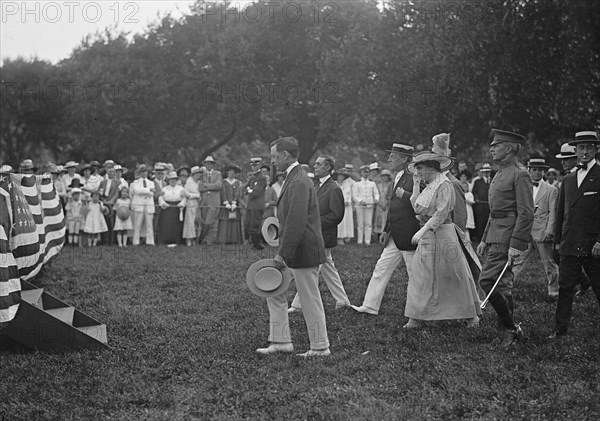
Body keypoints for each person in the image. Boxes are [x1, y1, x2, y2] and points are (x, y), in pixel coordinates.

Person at [256, 136, 329, 357]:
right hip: (293, 248)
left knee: (309, 300)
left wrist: (282, 255)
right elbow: (290, 219)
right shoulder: (293, 177)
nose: (273, 161)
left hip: (303, 249)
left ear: (286, 155)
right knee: (274, 290)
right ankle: (281, 341)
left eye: (275, 157)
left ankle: (320, 347)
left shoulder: (298, 181)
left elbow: (297, 222)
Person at [403, 151, 481, 329]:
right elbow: (416, 207)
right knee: (421, 274)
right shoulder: (428, 185)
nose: (419, 173)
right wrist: (415, 185)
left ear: (431, 168)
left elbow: (441, 213)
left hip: (444, 234)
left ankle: (470, 315)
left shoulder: (445, 185)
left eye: (420, 169)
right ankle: (415, 316)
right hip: (428, 236)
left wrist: (422, 230)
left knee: (453, 273)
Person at [476, 129, 533, 348]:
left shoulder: (520, 174)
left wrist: (516, 244)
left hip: (507, 236)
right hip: (495, 234)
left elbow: (526, 212)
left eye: (496, 145)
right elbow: (494, 211)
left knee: (487, 281)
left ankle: (510, 327)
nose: (491, 149)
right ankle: (505, 334)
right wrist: (483, 239)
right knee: (504, 285)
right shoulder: (500, 172)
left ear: (509, 148)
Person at [351, 144, 419, 315]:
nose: (389, 160)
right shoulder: (398, 176)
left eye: (393, 157)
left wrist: (405, 195)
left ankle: (419, 313)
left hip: (409, 235)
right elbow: (393, 206)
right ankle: (370, 305)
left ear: (404, 159)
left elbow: (419, 203)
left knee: (415, 275)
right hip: (395, 235)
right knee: (381, 268)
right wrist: (386, 230)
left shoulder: (415, 178)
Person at [550, 131, 600, 338]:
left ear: (596, 149)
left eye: (589, 147)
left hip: (592, 244)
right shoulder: (569, 179)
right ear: (576, 151)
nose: (585, 152)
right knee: (565, 287)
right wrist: (557, 243)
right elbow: (560, 213)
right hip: (570, 242)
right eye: (581, 148)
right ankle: (559, 330)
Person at [289, 155, 351, 313]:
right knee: (328, 269)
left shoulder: (334, 188)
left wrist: (313, 222)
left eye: (318, 164)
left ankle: (297, 305)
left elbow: (336, 215)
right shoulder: (316, 185)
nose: (314, 166)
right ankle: (343, 301)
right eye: (315, 163)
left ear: (328, 168)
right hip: (316, 236)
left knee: (311, 270)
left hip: (324, 237)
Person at [511, 158, 559, 301]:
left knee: (548, 262)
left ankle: (554, 290)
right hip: (525, 232)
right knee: (517, 260)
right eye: (534, 170)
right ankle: (507, 286)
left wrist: (549, 231)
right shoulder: (523, 188)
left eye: (539, 170)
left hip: (542, 231)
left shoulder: (551, 190)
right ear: (529, 170)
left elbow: (553, 213)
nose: (537, 173)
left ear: (544, 172)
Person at [555, 142, 592, 297]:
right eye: (562, 159)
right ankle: (583, 281)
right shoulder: (568, 178)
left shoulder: (588, 175)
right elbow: (561, 209)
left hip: (586, 232)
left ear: (575, 158)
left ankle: (584, 281)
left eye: (567, 158)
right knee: (560, 258)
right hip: (567, 231)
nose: (563, 162)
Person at [352, 165, 379, 245]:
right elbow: (354, 195)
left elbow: (376, 193)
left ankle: (367, 241)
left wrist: (376, 199)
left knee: (368, 224)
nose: (366, 174)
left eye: (367, 172)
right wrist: (360, 201)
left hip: (369, 205)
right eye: (364, 172)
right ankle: (360, 241)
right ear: (361, 173)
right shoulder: (357, 183)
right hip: (360, 206)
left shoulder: (372, 183)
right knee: (360, 224)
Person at [158, 171, 187, 246]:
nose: (172, 181)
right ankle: (166, 240)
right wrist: (163, 203)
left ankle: (176, 240)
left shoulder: (181, 188)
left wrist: (181, 204)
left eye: (174, 179)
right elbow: (160, 198)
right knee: (166, 224)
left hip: (177, 208)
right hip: (167, 209)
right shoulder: (164, 189)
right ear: (168, 180)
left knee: (176, 225)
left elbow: (184, 198)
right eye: (171, 179)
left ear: (176, 180)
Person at [198, 156, 222, 245]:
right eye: (206, 163)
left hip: (214, 201)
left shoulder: (218, 174)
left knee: (210, 221)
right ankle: (204, 240)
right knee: (204, 221)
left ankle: (205, 240)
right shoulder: (202, 174)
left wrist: (207, 185)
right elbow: (200, 187)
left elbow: (219, 186)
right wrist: (211, 186)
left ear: (213, 165)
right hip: (204, 201)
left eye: (210, 163)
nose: (208, 165)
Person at [130, 164, 155, 246]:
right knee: (137, 224)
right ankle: (135, 241)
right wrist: (148, 190)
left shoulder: (151, 182)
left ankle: (150, 241)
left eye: (145, 171)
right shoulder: (135, 182)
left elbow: (152, 193)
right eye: (142, 172)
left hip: (149, 204)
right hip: (139, 204)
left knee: (149, 224)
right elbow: (137, 191)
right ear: (139, 173)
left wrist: (145, 191)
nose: (144, 173)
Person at [245, 157, 267, 250]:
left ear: (259, 165)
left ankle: (258, 244)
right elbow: (245, 189)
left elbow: (256, 192)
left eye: (256, 165)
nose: (254, 167)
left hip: (257, 204)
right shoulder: (253, 177)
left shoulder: (262, 177)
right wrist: (249, 190)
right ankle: (254, 243)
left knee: (255, 224)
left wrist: (249, 191)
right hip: (251, 204)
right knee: (249, 223)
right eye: (252, 165)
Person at [218, 165, 243, 244]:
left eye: (233, 173)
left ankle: (234, 240)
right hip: (225, 205)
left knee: (234, 221)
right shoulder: (224, 182)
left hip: (235, 205)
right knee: (225, 221)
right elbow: (223, 193)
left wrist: (234, 202)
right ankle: (224, 240)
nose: (231, 174)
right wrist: (226, 202)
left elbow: (238, 193)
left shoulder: (238, 182)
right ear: (227, 173)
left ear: (235, 174)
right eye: (230, 172)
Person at [98, 166, 120, 246]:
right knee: (103, 222)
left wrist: (111, 201)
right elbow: (99, 192)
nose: (111, 173)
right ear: (107, 173)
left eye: (113, 172)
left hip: (111, 204)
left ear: (115, 173)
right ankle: (104, 241)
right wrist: (103, 200)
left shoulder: (117, 182)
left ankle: (111, 241)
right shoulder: (102, 182)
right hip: (103, 203)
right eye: (110, 171)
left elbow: (117, 194)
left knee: (111, 223)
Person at [471, 163, 492, 242]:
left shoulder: (493, 181)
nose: (486, 173)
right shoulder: (477, 182)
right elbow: (474, 192)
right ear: (482, 173)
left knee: (489, 222)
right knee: (480, 222)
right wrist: (476, 198)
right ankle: (480, 238)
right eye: (485, 172)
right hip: (480, 206)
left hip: (490, 206)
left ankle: (488, 239)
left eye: (488, 172)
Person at [183, 166, 203, 246]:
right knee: (190, 221)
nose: (198, 175)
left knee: (197, 221)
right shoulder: (189, 182)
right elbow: (186, 193)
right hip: (191, 203)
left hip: (198, 203)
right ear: (193, 174)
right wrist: (196, 195)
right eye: (196, 174)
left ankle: (195, 238)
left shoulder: (200, 182)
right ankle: (189, 239)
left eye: (199, 174)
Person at [336, 167, 354, 245]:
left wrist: (348, 201)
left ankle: (346, 236)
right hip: (338, 206)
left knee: (347, 221)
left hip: (347, 206)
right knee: (340, 222)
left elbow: (349, 194)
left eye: (342, 176)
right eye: (339, 175)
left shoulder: (347, 184)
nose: (341, 177)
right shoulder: (334, 184)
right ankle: (339, 237)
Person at [374, 169, 392, 237]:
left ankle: (386, 234)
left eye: (386, 176)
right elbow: (375, 195)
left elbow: (390, 195)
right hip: (379, 205)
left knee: (386, 219)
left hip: (387, 205)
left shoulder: (390, 185)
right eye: (383, 176)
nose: (385, 178)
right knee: (379, 219)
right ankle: (378, 235)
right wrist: (380, 204)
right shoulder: (378, 185)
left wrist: (386, 204)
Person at [152, 163, 168, 243]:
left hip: (164, 207)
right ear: (155, 174)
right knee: (155, 224)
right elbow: (152, 196)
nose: (160, 175)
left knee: (162, 224)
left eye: (162, 173)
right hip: (155, 206)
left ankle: (161, 240)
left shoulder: (165, 183)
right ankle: (154, 240)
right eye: (158, 173)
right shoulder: (152, 183)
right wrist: (159, 194)